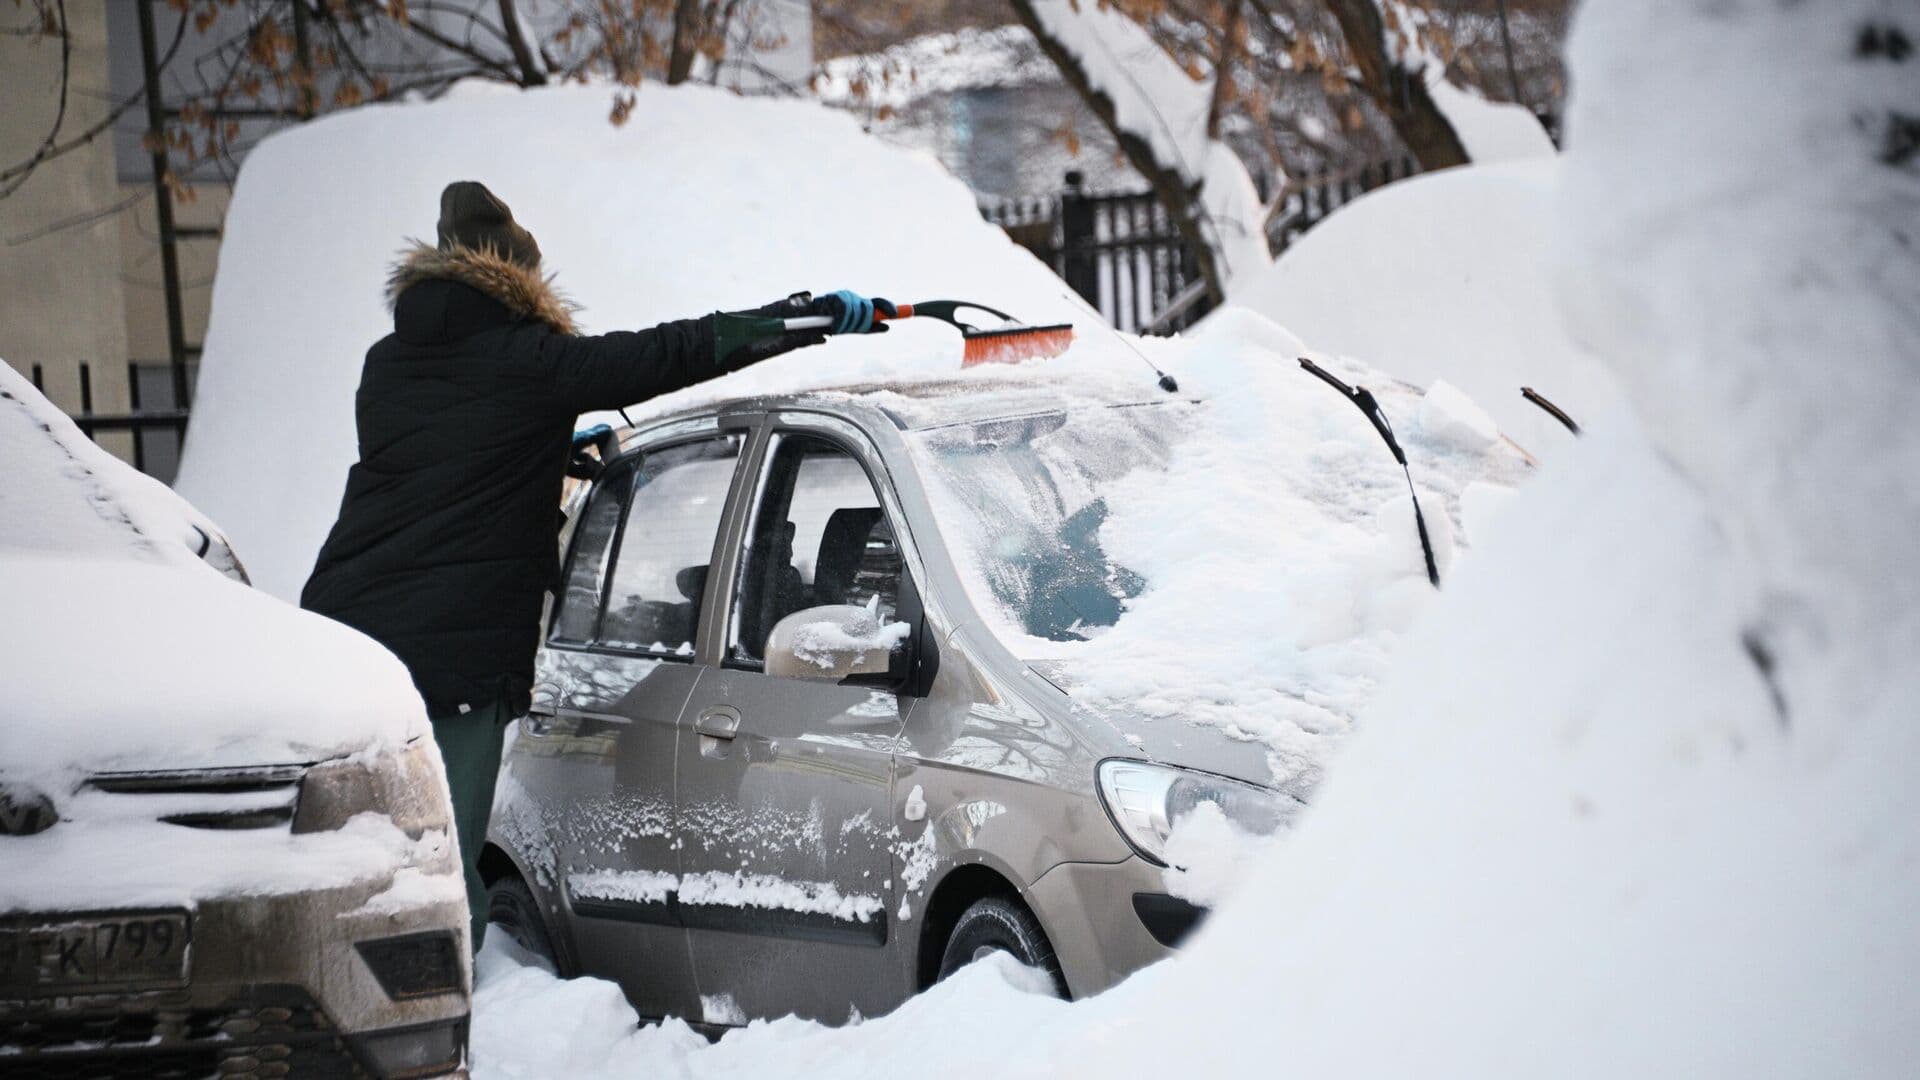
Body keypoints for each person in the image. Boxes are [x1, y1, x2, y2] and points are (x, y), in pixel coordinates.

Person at [301, 180, 892, 950]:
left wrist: (541, 448)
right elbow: (662, 354)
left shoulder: (389, 366)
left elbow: (441, 466)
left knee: (369, 863)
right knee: (439, 880)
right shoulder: (530, 362)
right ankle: (438, 1048)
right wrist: (793, 320)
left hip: (347, 638)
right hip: (450, 657)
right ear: (518, 279)